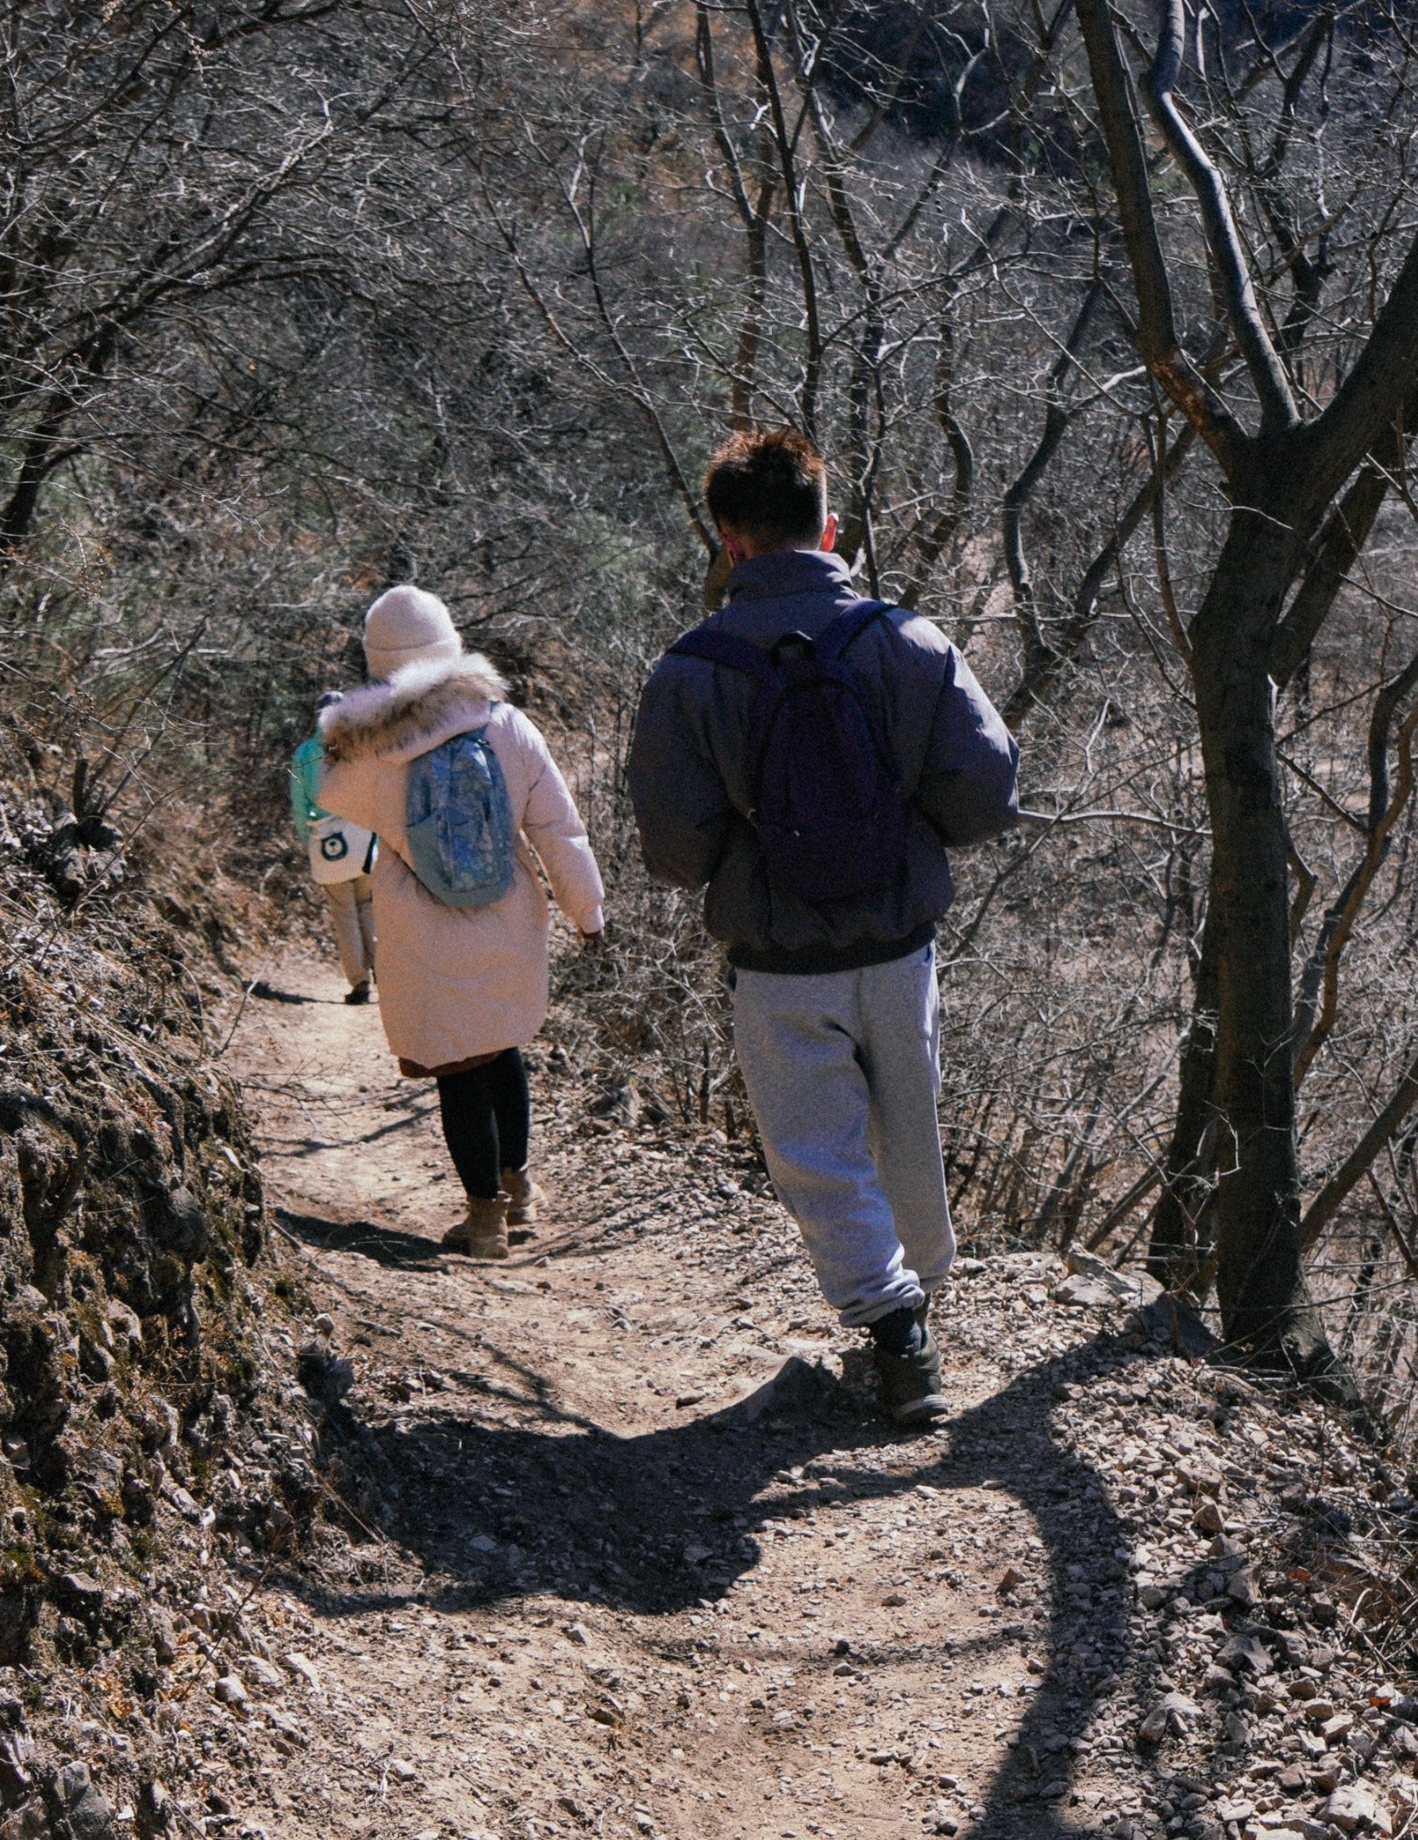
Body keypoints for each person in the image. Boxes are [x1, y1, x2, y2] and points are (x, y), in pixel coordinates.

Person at [626, 429, 1020, 1426]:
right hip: (900, 947)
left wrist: (754, 848)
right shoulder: (910, 640)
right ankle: (920, 1302)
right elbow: (986, 792)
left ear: (729, 542)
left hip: (777, 961)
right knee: (909, 1136)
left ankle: (894, 1332)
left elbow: (673, 848)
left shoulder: (688, 670)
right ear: (828, 526)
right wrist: (897, 831)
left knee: (817, 1149)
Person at [309, 585, 606, 1258]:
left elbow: (328, 793)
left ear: (377, 660)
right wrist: (586, 909)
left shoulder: (373, 751)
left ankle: (484, 1221)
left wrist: (343, 726)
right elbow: (558, 827)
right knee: (501, 1050)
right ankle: (519, 1187)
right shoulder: (505, 723)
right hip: (509, 917)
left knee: (457, 1069)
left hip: (425, 931)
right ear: (449, 646)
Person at [287, 704, 377, 1004]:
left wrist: (308, 841)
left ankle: (360, 983)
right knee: (369, 908)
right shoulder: (358, 747)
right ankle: (389, 978)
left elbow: (300, 807)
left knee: (344, 914)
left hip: (327, 840)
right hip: (362, 836)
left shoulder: (304, 753)